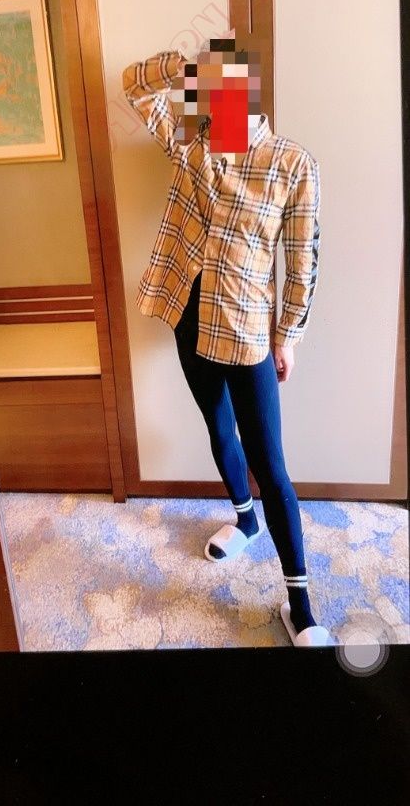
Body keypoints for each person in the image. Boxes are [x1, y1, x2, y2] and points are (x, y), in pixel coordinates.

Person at [122, 31, 335, 647]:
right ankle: (245, 522)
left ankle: (301, 605)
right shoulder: (191, 140)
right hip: (187, 310)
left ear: (252, 92)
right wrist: (186, 64)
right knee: (217, 427)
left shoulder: (291, 163)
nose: (218, 97)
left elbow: (302, 259)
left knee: (272, 464)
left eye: (229, 85)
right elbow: (135, 87)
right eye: (208, 87)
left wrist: (288, 335)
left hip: (245, 329)